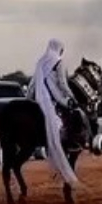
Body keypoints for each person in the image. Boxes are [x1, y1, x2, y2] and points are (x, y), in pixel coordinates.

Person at [32, 38, 80, 188]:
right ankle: (72, 142)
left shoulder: (41, 61)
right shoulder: (59, 62)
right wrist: (72, 97)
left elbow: (33, 83)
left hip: (38, 98)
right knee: (75, 115)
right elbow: (63, 84)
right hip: (53, 99)